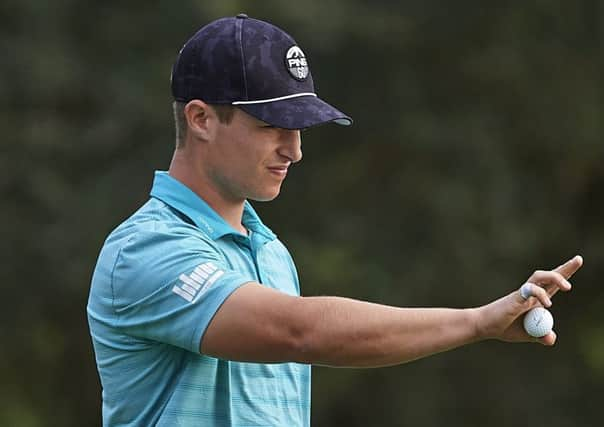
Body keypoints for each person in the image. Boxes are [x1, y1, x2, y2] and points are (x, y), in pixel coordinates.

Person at [87, 14, 583, 426]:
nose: (295, 150)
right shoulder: (146, 249)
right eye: (272, 127)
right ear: (201, 119)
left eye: (299, 129)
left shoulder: (271, 253)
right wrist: (475, 322)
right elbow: (301, 332)